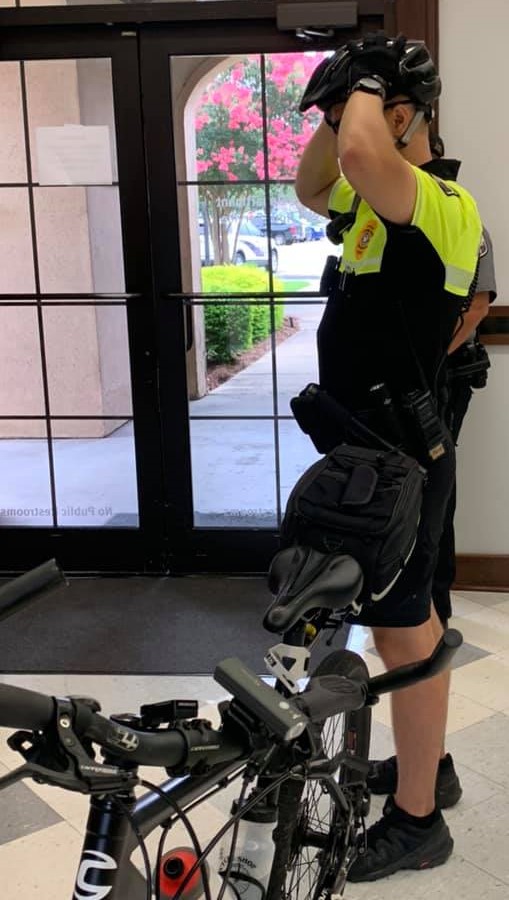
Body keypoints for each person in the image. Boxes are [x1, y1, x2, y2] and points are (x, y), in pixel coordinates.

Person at [295, 33, 484, 882]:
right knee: (403, 626)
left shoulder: (439, 200)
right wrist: (333, 105)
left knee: (405, 635)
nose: (347, 133)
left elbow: (364, 153)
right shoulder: (376, 206)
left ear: (402, 115)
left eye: (360, 115)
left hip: (401, 456)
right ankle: (427, 769)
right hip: (372, 450)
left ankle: (416, 823)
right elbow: (311, 186)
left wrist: (368, 85)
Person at [367, 134, 497, 808]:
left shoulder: (454, 210)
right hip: (395, 406)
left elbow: (477, 305)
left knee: (424, 560)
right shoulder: (376, 216)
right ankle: (425, 759)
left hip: (434, 395)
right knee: (413, 569)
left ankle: (425, 782)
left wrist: (422, 360)